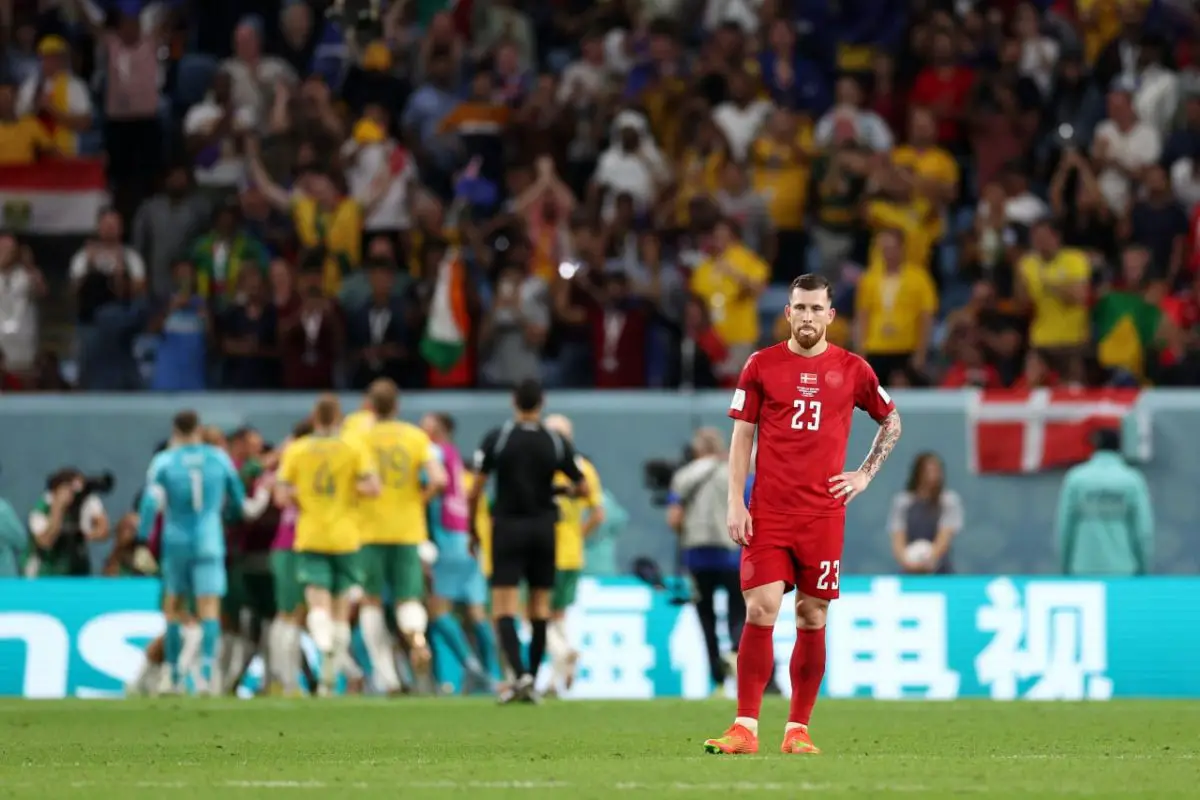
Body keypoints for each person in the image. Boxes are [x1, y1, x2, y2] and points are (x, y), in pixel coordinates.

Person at [705, 273, 902, 756]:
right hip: (769, 511)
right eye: (800, 307)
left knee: (812, 615)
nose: (808, 316)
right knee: (760, 607)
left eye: (817, 308)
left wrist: (865, 474)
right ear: (788, 312)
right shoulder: (761, 365)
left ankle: (798, 729)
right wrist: (735, 500)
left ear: (831, 316)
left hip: (822, 515)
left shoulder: (853, 369)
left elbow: (891, 420)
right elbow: (742, 436)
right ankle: (745, 727)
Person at [469, 379, 587, 704]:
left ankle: (519, 675)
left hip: (507, 527)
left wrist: (471, 528)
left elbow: (476, 489)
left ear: (513, 402)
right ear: (542, 403)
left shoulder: (499, 437)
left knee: (504, 607)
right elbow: (584, 488)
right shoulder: (555, 440)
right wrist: (558, 490)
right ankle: (532, 681)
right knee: (540, 607)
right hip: (543, 529)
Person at [136, 411, 250, 694]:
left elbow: (150, 503)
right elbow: (237, 500)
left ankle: (173, 675)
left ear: (175, 430)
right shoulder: (219, 458)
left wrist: (142, 539)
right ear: (198, 429)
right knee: (209, 609)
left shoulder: (164, 461)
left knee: (173, 608)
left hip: (175, 542)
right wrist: (230, 518)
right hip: (209, 540)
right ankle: (206, 676)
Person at [346, 378, 447, 694]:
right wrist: (420, 498)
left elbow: (353, 481)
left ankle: (386, 676)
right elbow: (440, 479)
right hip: (407, 530)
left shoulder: (357, 438)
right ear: (397, 405)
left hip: (370, 530)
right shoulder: (415, 436)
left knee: (371, 601)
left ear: (370, 407)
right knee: (408, 597)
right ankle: (416, 638)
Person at [275, 395, 380, 694]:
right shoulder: (353, 446)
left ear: (314, 417)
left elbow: (281, 496)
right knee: (341, 606)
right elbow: (373, 487)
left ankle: (322, 644)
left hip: (311, 533)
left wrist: (304, 495)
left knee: (316, 600)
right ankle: (329, 678)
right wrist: (349, 489)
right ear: (339, 417)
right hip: (347, 535)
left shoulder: (297, 449)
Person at [421, 411, 498, 693]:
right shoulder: (453, 457)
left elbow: (427, 484)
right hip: (467, 543)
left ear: (437, 430)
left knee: (438, 611)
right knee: (477, 614)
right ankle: (492, 676)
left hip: (446, 541)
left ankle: (471, 667)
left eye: (425, 425)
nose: (421, 430)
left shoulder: (433, 453)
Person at [667, 427, 743, 696]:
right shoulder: (735, 472)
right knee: (739, 608)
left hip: (697, 555)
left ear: (697, 449)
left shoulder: (684, 476)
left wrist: (685, 534)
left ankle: (718, 680)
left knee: (706, 617)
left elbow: (674, 517)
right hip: (731, 552)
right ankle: (734, 650)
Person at [543, 413, 605, 696]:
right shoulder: (584, 468)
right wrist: (577, 535)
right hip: (571, 553)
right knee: (559, 616)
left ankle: (563, 651)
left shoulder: (541, 464)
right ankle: (554, 682)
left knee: (536, 614)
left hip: (543, 550)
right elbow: (598, 513)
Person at [1055, 428, 1154, 576]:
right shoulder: (1132, 480)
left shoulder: (1076, 479)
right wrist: (1143, 569)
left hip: (1082, 568)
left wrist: (1064, 568)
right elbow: (1143, 530)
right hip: (1123, 569)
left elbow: (1064, 528)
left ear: (1095, 447)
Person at [888, 452, 964, 574]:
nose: (933, 475)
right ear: (918, 473)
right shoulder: (902, 502)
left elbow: (945, 536)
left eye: (936, 471)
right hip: (909, 569)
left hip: (940, 569)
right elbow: (897, 537)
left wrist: (929, 559)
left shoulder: (949, 502)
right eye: (928, 471)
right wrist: (907, 562)